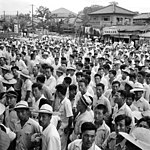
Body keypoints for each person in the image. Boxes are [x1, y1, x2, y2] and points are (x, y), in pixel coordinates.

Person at [56, 84, 73, 150]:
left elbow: (70, 116)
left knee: (62, 147)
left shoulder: (67, 102)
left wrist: (68, 128)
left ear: (59, 93)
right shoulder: (61, 101)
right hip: (59, 127)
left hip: (64, 129)